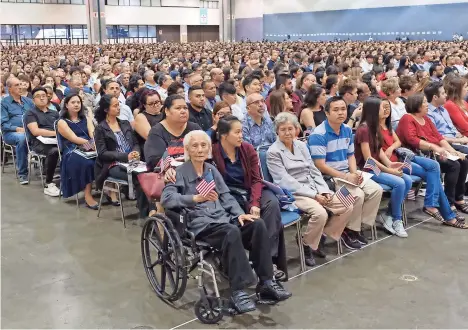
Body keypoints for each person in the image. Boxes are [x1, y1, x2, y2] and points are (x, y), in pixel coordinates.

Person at [161, 130, 291, 314]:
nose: (200, 149)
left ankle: (266, 282)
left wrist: (239, 214)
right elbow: (167, 199)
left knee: (257, 224)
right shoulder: (179, 173)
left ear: (208, 148)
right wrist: (195, 198)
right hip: (201, 224)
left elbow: (226, 196)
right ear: (187, 149)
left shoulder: (211, 170)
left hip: (223, 219)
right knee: (231, 232)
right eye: (195, 146)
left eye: (204, 145)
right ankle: (238, 291)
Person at [268, 112, 353, 265]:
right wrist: (315, 195)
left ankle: (320, 237)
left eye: (290, 128)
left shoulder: (301, 145)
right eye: (283, 129)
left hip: (314, 187)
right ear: (277, 132)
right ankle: (306, 244)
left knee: (347, 204)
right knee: (320, 213)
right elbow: (285, 181)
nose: (287, 132)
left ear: (296, 130)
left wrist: (324, 191)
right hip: (295, 193)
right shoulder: (273, 152)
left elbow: (314, 170)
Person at [211, 115, 287, 277]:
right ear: (224, 135)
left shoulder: (247, 149)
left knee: (272, 204)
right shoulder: (213, 153)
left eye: (241, 132)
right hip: (229, 195)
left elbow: (256, 179)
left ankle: (269, 259)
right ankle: (256, 260)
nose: (241, 135)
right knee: (253, 221)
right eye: (237, 132)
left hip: (251, 189)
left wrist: (254, 203)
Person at [379, 92, 466, 228]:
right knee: (438, 170)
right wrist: (435, 148)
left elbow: (438, 137)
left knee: (443, 170)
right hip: (410, 156)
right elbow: (410, 140)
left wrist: (452, 151)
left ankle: (446, 212)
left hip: (417, 156)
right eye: (425, 102)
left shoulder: (392, 125)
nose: (427, 105)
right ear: (417, 105)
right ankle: (446, 211)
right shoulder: (406, 118)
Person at [308, 96, 383, 249]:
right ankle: (347, 231)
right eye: (336, 110)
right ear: (327, 113)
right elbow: (320, 165)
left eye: (343, 109)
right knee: (358, 195)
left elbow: (350, 156)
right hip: (331, 176)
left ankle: (357, 227)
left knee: (376, 190)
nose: (341, 113)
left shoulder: (347, 130)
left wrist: (355, 173)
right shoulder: (318, 134)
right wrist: (345, 176)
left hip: (347, 173)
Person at [354, 97, 412, 237]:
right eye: (382, 107)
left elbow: (378, 150)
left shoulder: (375, 128)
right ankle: (396, 219)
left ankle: (389, 215)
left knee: (408, 180)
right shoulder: (363, 129)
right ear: (374, 110)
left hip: (376, 167)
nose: (385, 109)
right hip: (365, 170)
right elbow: (369, 160)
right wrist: (389, 170)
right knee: (399, 182)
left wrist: (390, 163)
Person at [94, 94, 140, 206]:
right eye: (115, 106)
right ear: (106, 110)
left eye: (118, 105)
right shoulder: (101, 128)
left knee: (148, 173)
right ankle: (144, 208)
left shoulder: (125, 123)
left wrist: (136, 152)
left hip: (131, 160)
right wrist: (125, 156)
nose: (118, 108)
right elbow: (102, 153)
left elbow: (135, 143)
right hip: (113, 164)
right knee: (138, 179)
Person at [145, 95, 201, 181]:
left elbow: (205, 150)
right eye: (178, 108)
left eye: (185, 108)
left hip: (195, 171)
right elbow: (154, 160)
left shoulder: (194, 128)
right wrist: (169, 169)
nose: (183, 111)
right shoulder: (157, 131)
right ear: (167, 111)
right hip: (169, 176)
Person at [56, 93, 98, 208]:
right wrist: (91, 144)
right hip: (71, 150)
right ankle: (88, 195)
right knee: (88, 163)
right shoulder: (62, 122)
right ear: (66, 105)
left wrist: (94, 143)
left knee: (105, 158)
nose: (76, 105)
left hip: (89, 147)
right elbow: (73, 138)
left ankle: (110, 192)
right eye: (73, 102)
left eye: (78, 102)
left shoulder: (85, 118)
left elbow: (92, 133)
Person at [25, 87, 60, 196]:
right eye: (38, 96)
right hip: (39, 143)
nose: (41, 98)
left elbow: (62, 126)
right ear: (33, 100)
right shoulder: (30, 113)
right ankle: (48, 183)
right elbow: (35, 131)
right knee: (54, 151)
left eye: (43, 96)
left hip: (56, 140)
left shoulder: (54, 113)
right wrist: (56, 133)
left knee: (77, 147)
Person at [1, 77, 34, 184]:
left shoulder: (28, 101)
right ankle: (23, 174)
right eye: (16, 85)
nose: (20, 87)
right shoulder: (4, 103)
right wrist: (17, 129)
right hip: (11, 133)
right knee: (22, 138)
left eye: (20, 84)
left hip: (30, 130)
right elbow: (3, 124)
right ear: (9, 89)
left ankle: (48, 170)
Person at [425, 81, 468, 152]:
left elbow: (452, 128)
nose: (446, 95)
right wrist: (459, 140)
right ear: (435, 97)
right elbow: (437, 137)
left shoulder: (443, 109)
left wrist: (461, 137)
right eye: (443, 93)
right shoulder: (429, 113)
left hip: (456, 140)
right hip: (445, 144)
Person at [134, 89, 163, 157]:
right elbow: (151, 137)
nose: (155, 105)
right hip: (151, 152)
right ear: (144, 105)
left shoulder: (164, 114)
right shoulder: (141, 117)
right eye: (151, 104)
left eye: (157, 102)